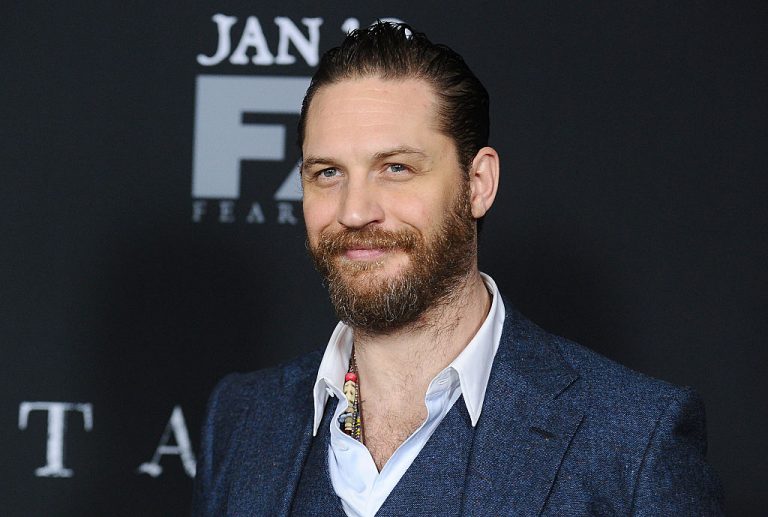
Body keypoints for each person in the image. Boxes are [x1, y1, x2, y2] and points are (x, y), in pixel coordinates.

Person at [192, 22, 723, 516]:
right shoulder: (241, 416)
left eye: (396, 168)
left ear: (478, 184)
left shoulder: (635, 440)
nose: (354, 212)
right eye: (328, 173)